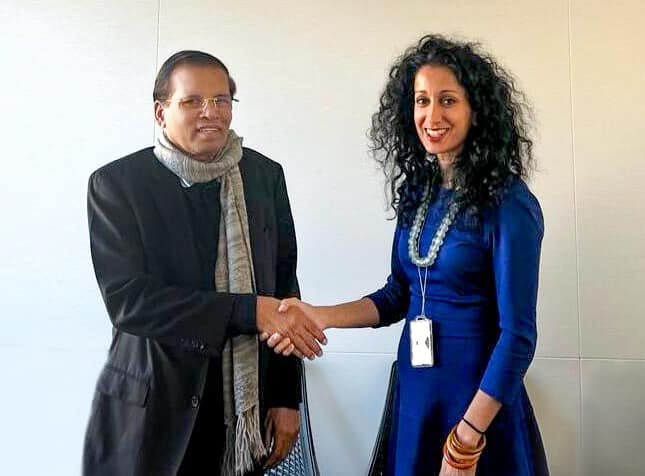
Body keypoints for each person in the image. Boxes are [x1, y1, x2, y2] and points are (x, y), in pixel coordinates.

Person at [266, 35, 550, 475]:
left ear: (477, 110)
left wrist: (466, 441)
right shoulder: (418, 194)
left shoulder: (510, 204)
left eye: (448, 100)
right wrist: (320, 315)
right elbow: (397, 295)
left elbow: (518, 338)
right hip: (417, 398)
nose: (432, 116)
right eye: (422, 101)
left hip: (477, 412)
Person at [82, 50, 326, 476]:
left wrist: (287, 398)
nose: (210, 112)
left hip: (242, 413)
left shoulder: (264, 176)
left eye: (221, 100)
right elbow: (129, 302)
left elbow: (285, 288)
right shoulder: (117, 184)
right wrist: (248, 311)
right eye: (192, 101)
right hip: (152, 411)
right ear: (161, 112)